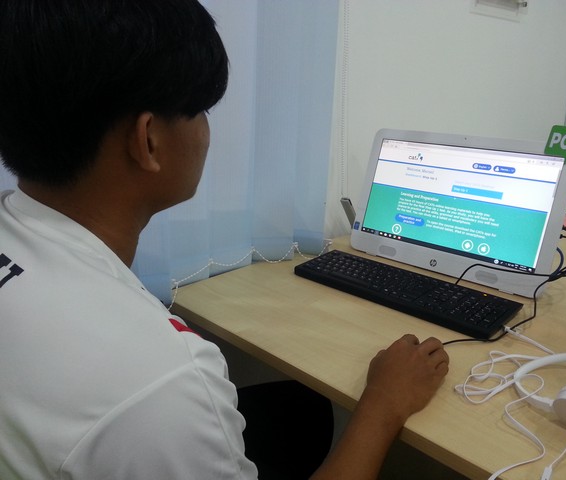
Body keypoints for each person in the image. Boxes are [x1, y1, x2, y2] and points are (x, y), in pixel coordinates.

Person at [0, 1, 450, 479]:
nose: (207, 132)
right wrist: (384, 403)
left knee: (303, 410)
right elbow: (157, 395)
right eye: (201, 110)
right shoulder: (161, 383)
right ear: (148, 141)